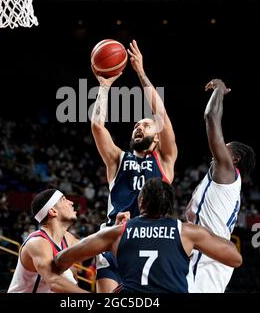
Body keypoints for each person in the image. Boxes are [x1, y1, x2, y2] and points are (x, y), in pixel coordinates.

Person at [91, 39, 178, 292]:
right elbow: (98, 126)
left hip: (149, 238)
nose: (139, 126)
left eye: (146, 125)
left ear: (158, 136)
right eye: (136, 125)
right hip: (113, 236)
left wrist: (140, 72)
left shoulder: (164, 160)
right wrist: (104, 87)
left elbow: (161, 115)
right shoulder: (118, 160)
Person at [54, 178, 242, 293]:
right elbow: (235, 258)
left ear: (141, 201)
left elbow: (62, 259)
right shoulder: (187, 232)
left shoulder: (117, 232)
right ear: (170, 206)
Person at [185, 79, 256, 293]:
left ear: (234, 159)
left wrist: (219, 90)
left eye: (225, 148)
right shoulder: (225, 182)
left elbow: (211, 117)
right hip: (210, 255)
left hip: (207, 257)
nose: (219, 150)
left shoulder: (226, 172)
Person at [8, 189, 88, 293]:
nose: (71, 202)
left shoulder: (67, 238)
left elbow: (92, 247)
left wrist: (113, 230)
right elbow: (54, 282)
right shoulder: (37, 242)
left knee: (71, 274)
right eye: (64, 199)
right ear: (53, 211)